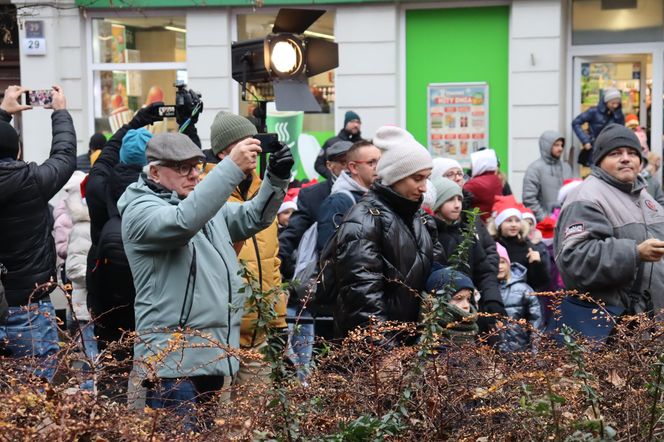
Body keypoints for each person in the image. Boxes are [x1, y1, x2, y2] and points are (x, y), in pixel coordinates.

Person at [118, 132, 291, 415]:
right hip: (170, 365)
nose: (193, 175)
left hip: (213, 359)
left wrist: (276, 177)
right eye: (182, 168)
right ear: (155, 172)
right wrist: (231, 168)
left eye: (197, 166)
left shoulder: (202, 206)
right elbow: (183, 222)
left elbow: (255, 216)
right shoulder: (140, 211)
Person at [206, 111, 290, 386]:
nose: (252, 148)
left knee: (255, 427)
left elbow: (271, 262)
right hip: (220, 340)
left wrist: (278, 322)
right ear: (222, 152)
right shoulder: (205, 195)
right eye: (242, 143)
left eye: (252, 141)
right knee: (219, 424)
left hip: (261, 337)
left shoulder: (263, 193)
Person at [555, 124, 664, 328]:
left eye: (632, 153)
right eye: (615, 153)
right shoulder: (586, 198)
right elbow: (574, 259)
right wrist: (634, 253)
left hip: (650, 329)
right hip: (613, 330)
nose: (625, 158)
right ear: (599, 160)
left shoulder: (645, 196)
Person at [0, 85, 75, 381]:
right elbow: (65, 155)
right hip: (29, 306)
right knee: (35, 401)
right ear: (17, 149)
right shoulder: (32, 180)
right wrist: (60, 113)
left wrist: (3, 113)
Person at [332, 126, 434, 341]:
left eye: (427, 178)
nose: (424, 187)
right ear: (395, 176)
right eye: (417, 178)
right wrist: (384, 349)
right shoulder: (364, 218)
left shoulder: (419, 218)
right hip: (380, 354)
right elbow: (362, 293)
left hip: (412, 345)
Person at [429, 177, 505, 334]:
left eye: (459, 199)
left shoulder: (466, 233)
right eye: (450, 199)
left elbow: (483, 270)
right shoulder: (428, 235)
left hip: (469, 309)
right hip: (439, 316)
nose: (457, 205)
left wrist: (492, 299)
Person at [279, 140, 351, 281]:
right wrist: (276, 262)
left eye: (352, 162)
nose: (348, 168)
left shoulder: (369, 191)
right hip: (324, 276)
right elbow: (293, 232)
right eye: (343, 162)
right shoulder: (312, 195)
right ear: (329, 165)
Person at [432, 156, 498, 270]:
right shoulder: (427, 220)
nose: (457, 178)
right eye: (450, 174)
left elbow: (490, 248)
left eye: (459, 173)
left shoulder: (471, 214)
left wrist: (487, 274)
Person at [316, 140, 381, 252]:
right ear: (354, 168)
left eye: (379, 162)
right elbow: (329, 251)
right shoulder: (338, 201)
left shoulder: (377, 195)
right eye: (371, 162)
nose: (377, 167)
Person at [489, 196, 551, 294]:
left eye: (517, 220)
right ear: (499, 224)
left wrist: (537, 264)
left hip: (522, 297)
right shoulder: (491, 246)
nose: (514, 224)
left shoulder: (527, 246)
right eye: (509, 220)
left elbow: (540, 283)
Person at [496, 243, 542, 352]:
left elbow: (536, 323)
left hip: (521, 352)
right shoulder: (486, 290)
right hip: (494, 355)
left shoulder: (524, 290)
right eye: (495, 262)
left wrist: (535, 354)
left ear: (509, 263)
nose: (499, 266)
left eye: (502, 262)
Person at [522, 131, 574, 221]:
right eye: (556, 145)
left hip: (566, 222)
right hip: (543, 226)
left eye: (562, 145)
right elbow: (529, 199)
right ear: (546, 146)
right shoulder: (535, 169)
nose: (560, 148)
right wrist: (545, 219)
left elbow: (572, 194)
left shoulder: (566, 168)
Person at [572, 87, 624, 175]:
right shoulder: (593, 112)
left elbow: (622, 131)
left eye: (617, 103)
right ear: (606, 101)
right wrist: (585, 140)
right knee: (596, 175)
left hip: (612, 150)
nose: (615, 106)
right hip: (594, 150)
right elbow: (576, 122)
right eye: (613, 103)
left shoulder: (619, 115)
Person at [425, 266, 479, 344]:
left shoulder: (473, 332)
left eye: (468, 299)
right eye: (458, 298)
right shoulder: (429, 343)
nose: (466, 305)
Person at [315, 110, 363, 180]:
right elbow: (318, 165)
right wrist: (334, 177)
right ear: (346, 123)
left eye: (358, 122)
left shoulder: (363, 145)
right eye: (352, 121)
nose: (356, 125)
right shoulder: (331, 142)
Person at [464, 149, 503, 222]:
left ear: (480, 163)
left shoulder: (475, 184)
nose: (470, 166)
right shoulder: (495, 178)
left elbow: (461, 198)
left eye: (473, 163)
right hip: (489, 221)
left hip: (479, 223)